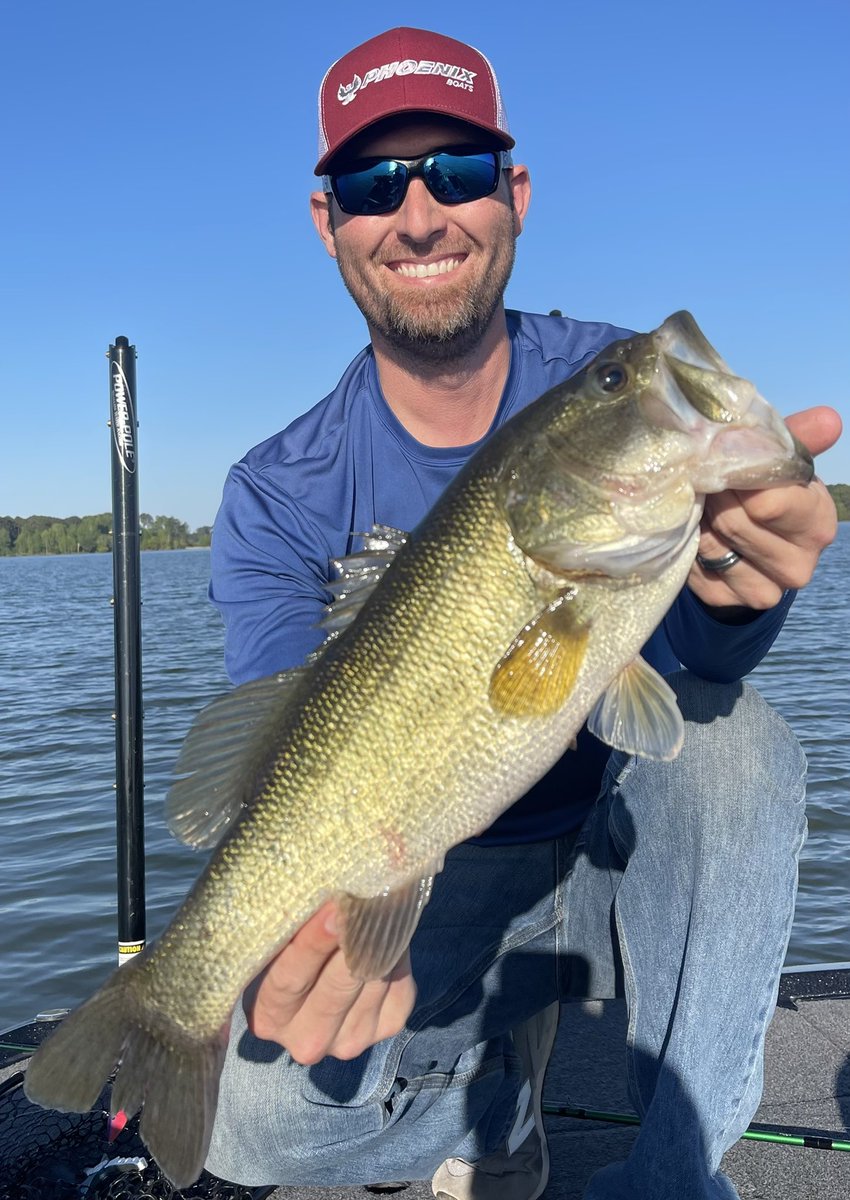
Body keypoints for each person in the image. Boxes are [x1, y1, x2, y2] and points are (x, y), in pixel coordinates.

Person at [205, 26, 840, 1200]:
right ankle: (488, 1115)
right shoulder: (274, 492)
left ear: (513, 195)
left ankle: (674, 1177)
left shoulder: (608, 376)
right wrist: (310, 918)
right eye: (369, 183)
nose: (419, 214)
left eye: (454, 172)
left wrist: (745, 602)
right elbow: (279, 759)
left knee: (740, 745)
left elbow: (690, 668)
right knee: (248, 1136)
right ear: (326, 220)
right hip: (434, 865)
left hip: (615, 836)